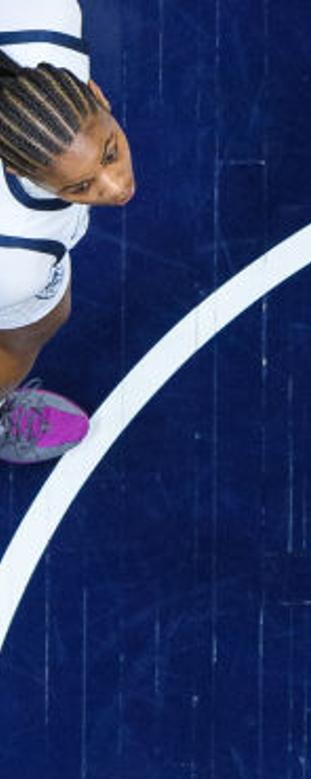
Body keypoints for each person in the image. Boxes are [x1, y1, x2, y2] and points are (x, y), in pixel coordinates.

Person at [0, 1, 135, 464]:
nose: (118, 188)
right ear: (18, 169)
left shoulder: (47, 10)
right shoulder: (17, 262)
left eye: (110, 153)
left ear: (95, 93)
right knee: (35, 324)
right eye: (81, 186)